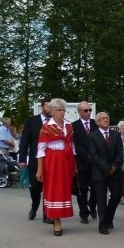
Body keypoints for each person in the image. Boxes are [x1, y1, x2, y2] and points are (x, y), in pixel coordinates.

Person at [35, 99, 76, 237]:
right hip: (52, 160)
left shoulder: (69, 126)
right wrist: (39, 169)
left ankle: (62, 214)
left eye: (63, 110)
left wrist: (74, 164)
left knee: (64, 189)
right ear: (52, 112)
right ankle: (56, 220)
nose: (62, 112)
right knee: (54, 189)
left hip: (66, 160)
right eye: (59, 110)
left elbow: (72, 146)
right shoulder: (46, 127)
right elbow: (41, 150)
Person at [89, 111, 123, 235]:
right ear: (97, 122)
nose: (106, 120)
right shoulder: (92, 136)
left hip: (115, 172)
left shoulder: (116, 134)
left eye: (107, 118)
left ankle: (108, 218)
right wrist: (106, 168)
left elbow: (120, 152)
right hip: (99, 172)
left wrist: (114, 166)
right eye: (103, 118)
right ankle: (103, 224)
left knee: (116, 196)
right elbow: (94, 155)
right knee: (101, 199)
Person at [19, 98, 52, 222]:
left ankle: (47, 214)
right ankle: (34, 206)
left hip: (50, 159)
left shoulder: (55, 122)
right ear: (42, 107)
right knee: (35, 187)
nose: (50, 109)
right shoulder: (32, 121)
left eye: (52, 107)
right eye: (48, 106)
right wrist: (22, 158)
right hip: (35, 158)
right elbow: (24, 140)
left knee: (48, 187)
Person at [71, 102, 98, 224]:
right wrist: (85, 155)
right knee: (82, 189)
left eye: (89, 110)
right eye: (86, 110)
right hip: (81, 162)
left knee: (96, 187)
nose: (88, 112)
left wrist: (94, 155)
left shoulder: (95, 124)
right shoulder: (73, 126)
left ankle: (92, 205)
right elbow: (74, 144)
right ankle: (83, 212)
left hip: (95, 162)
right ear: (79, 111)